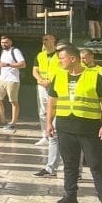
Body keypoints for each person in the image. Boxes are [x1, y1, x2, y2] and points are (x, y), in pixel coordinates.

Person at [46, 44, 102, 203]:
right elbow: (52, 102)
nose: (59, 62)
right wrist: (48, 123)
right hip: (65, 127)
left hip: (89, 129)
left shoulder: (94, 76)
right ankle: (70, 196)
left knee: (96, 164)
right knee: (69, 163)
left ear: (72, 59)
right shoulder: (58, 76)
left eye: (62, 59)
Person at [32, 33, 62, 178]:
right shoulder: (40, 55)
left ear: (54, 41)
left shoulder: (60, 55)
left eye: (47, 39)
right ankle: (45, 134)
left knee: (52, 111)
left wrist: (50, 81)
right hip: (41, 85)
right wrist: (41, 79)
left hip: (54, 85)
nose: (44, 41)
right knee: (43, 111)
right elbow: (34, 70)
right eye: (43, 39)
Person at [0, 35, 25, 133]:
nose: (3, 44)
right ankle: (2, 120)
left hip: (12, 80)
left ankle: (13, 122)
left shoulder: (15, 51)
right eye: (2, 42)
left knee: (13, 101)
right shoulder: (2, 52)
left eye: (6, 42)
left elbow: (23, 64)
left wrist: (8, 65)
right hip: (2, 78)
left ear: (11, 42)